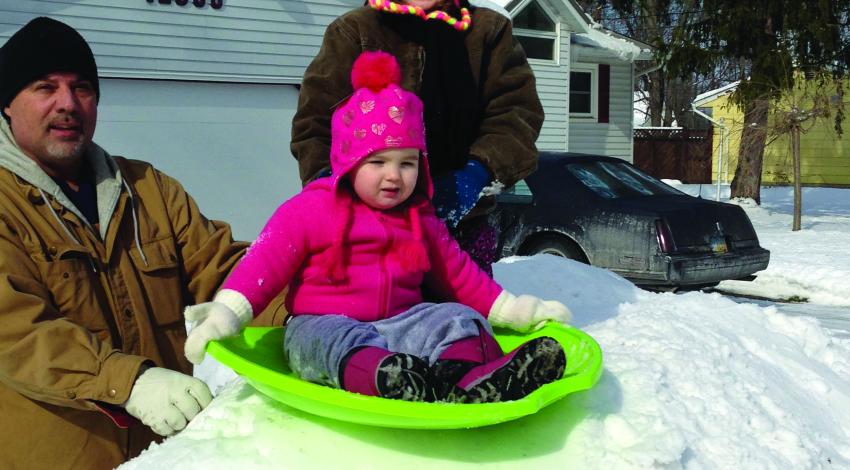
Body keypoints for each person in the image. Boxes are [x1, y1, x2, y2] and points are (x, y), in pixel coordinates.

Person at [184, 51, 569, 404]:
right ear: (349, 164)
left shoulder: (420, 218)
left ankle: (469, 379)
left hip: (401, 324)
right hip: (322, 324)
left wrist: (513, 309)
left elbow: (460, 277)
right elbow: (263, 264)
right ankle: (389, 381)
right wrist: (226, 313)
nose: (394, 176)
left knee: (455, 316)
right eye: (378, 162)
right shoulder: (312, 210)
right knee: (328, 341)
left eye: (407, 162)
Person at [0, 17, 249, 469]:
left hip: (165, 451)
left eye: (82, 88)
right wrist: (129, 383)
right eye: (44, 87)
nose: (68, 104)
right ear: (7, 106)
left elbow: (224, 267)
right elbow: (14, 331)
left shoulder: (146, 188)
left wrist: (312, 301)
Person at [291, 0, 544, 276]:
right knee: (362, 312)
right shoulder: (355, 31)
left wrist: (477, 173)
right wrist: (329, 190)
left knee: (465, 314)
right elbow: (315, 124)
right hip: (367, 230)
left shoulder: (488, 32)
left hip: (462, 228)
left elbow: (517, 117)